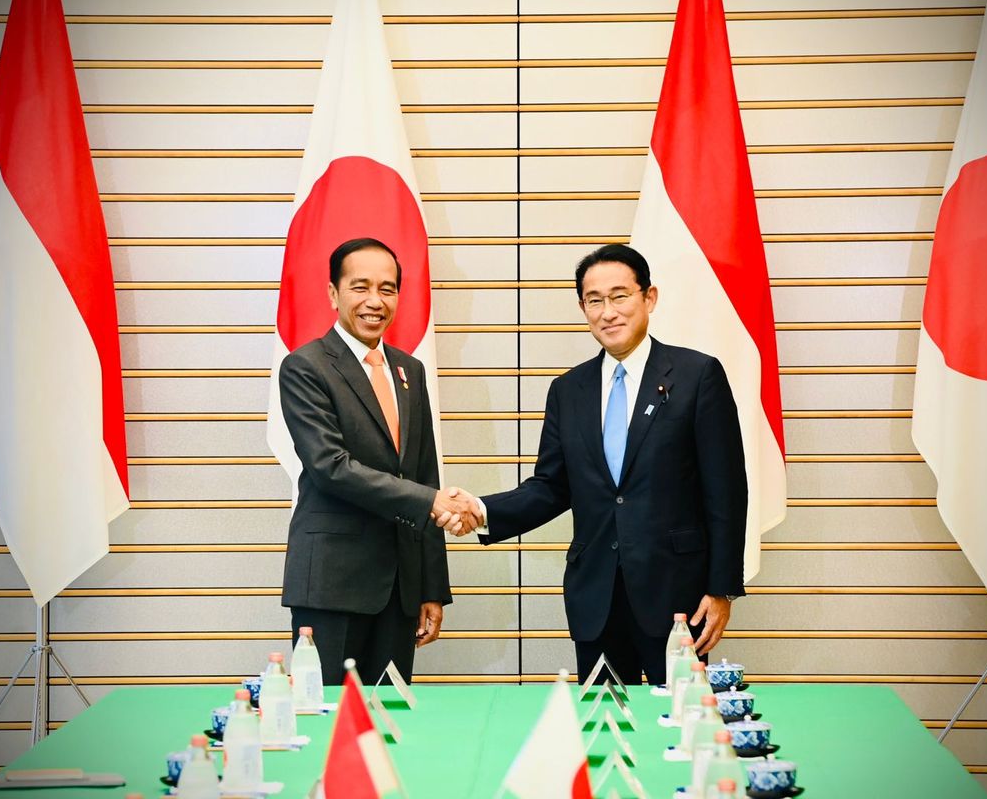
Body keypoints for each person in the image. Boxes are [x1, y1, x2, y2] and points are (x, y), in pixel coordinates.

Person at [448, 244, 747, 685]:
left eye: (620, 295)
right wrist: (483, 509)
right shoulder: (569, 390)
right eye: (594, 300)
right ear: (583, 308)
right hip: (597, 596)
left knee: (680, 726)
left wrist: (721, 589)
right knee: (604, 730)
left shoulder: (697, 376)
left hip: (678, 594)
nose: (608, 312)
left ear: (649, 298)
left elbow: (726, 490)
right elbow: (551, 486)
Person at [278, 237, 474, 685]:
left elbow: (423, 473)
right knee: (328, 723)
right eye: (360, 287)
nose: (374, 301)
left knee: (387, 727)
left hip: (399, 592)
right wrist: (431, 501)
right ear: (333, 293)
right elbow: (331, 466)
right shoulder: (305, 367)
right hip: (332, 585)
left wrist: (431, 588)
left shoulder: (410, 370)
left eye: (387, 289)